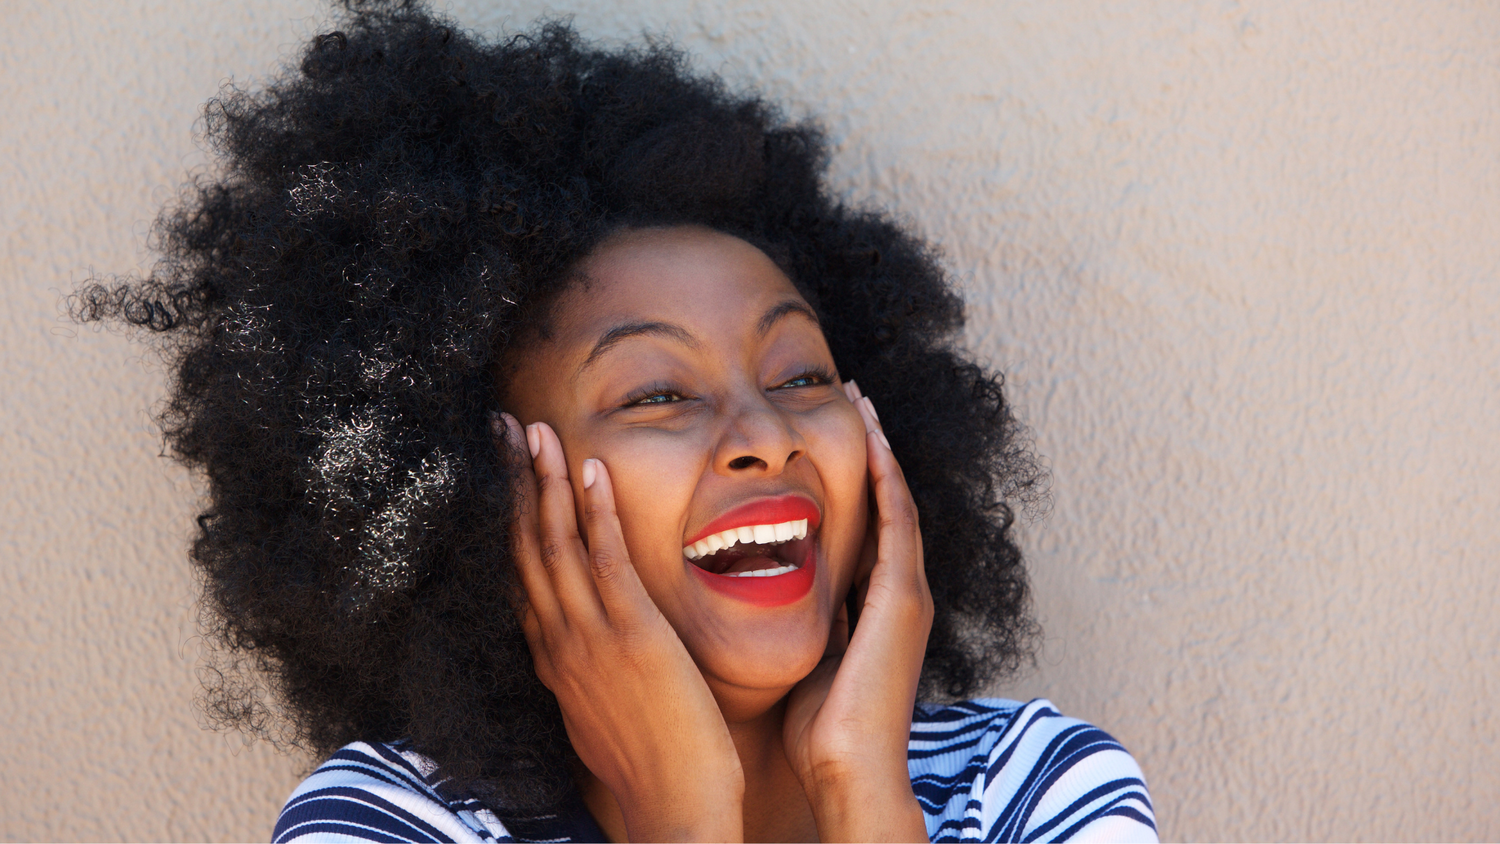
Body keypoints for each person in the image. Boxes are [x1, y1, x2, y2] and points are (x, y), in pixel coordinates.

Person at [76, 2, 1157, 840]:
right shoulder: (394, 818)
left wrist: (863, 790)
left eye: (801, 374)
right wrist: (686, 809)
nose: (764, 433)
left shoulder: (1038, 787)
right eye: (657, 393)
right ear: (488, 485)